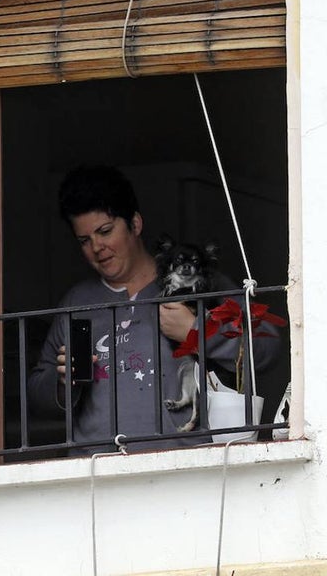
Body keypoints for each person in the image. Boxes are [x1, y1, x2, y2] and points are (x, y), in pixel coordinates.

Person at [26, 164, 282, 454]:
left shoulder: (202, 284)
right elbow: (36, 396)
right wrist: (63, 383)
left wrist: (197, 331)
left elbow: (267, 348)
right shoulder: (77, 301)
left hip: (186, 467)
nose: (97, 247)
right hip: (96, 471)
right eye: (85, 240)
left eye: (105, 231)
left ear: (135, 224)